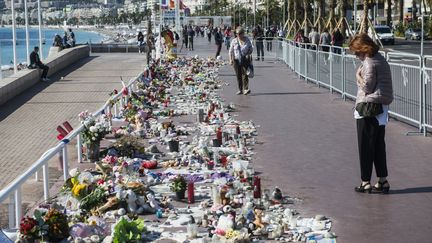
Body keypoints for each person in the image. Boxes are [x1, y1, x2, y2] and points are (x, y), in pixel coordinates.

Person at [349, 33, 393, 194]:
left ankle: (365, 181)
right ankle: (382, 180)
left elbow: (367, 87)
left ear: (364, 49)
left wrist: (358, 77)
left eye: (357, 52)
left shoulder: (369, 63)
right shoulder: (381, 59)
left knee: (365, 146)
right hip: (381, 107)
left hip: (368, 107)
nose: (356, 56)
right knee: (378, 145)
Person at [229, 27, 253, 95]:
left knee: (245, 74)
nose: (238, 35)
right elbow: (230, 51)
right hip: (236, 60)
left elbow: (251, 49)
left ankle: (245, 89)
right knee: (238, 75)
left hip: (245, 59)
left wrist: (248, 53)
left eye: (239, 33)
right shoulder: (234, 41)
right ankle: (240, 89)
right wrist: (230, 60)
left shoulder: (247, 40)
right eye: (237, 34)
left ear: (243, 33)